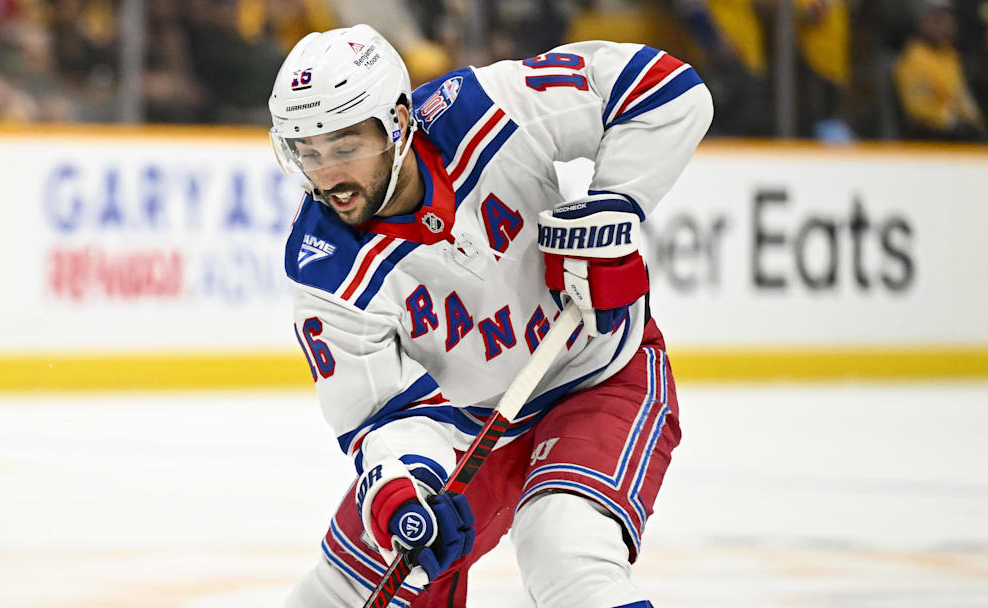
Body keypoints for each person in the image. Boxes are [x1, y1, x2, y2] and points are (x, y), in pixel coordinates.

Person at [271, 23, 712, 607]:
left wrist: (615, 203)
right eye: (308, 153)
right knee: (340, 593)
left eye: (346, 147)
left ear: (398, 123)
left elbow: (664, 89)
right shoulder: (325, 268)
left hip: (596, 375)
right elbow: (382, 413)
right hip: (466, 433)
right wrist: (408, 486)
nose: (328, 177)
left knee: (564, 551)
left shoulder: (484, 110)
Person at [893, 0, 986, 141]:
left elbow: (962, 96)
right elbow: (919, 110)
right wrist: (955, 122)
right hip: (931, 137)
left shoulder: (950, 56)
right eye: (938, 21)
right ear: (922, 22)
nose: (946, 27)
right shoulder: (913, 59)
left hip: (961, 131)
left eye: (949, 21)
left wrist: (975, 121)